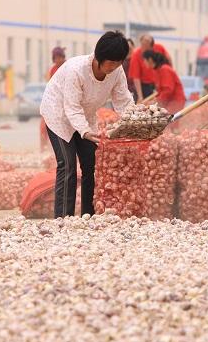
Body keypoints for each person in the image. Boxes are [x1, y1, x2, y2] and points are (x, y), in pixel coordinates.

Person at [40, 31, 133, 218]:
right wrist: (84, 131)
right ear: (99, 57)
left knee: (91, 165)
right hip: (59, 115)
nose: (114, 67)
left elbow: (123, 100)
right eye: (111, 63)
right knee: (67, 165)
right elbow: (71, 107)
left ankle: (88, 216)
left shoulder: (117, 72)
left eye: (118, 63)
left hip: (86, 117)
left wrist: (133, 121)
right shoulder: (77, 70)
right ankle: (63, 219)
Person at [128, 34, 171, 102]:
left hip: (160, 84)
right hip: (145, 86)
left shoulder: (160, 50)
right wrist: (140, 96)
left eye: (146, 46)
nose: (144, 48)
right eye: (142, 45)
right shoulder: (136, 55)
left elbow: (168, 58)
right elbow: (136, 77)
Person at [40, 46, 68, 151]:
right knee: (44, 124)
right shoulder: (52, 69)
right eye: (56, 58)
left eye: (60, 57)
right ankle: (43, 148)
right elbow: (50, 85)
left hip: (66, 100)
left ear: (63, 57)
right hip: (53, 100)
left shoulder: (68, 66)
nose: (58, 60)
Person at [143, 50, 186, 114]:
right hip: (169, 101)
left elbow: (168, 90)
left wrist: (156, 101)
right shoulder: (158, 70)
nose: (144, 62)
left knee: (171, 123)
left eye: (144, 60)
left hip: (175, 101)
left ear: (150, 60)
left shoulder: (165, 69)